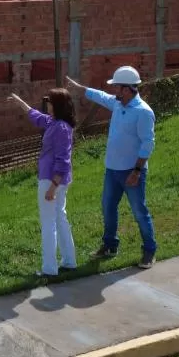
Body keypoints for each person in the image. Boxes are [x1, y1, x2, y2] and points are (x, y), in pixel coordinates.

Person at [65, 66, 157, 269]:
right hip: (112, 170)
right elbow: (100, 96)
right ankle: (109, 246)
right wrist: (79, 88)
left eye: (117, 87)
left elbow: (148, 143)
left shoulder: (143, 112)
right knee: (108, 208)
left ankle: (149, 251)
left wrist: (137, 172)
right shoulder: (117, 104)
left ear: (127, 89)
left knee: (139, 211)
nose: (114, 90)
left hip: (132, 172)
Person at [8, 89, 77, 277]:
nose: (48, 104)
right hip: (57, 180)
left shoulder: (61, 128)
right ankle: (69, 261)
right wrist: (20, 102)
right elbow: (37, 117)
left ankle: (49, 268)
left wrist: (53, 187)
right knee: (60, 218)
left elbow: (63, 159)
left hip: (51, 180)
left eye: (50, 102)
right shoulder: (54, 123)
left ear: (58, 105)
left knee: (49, 223)